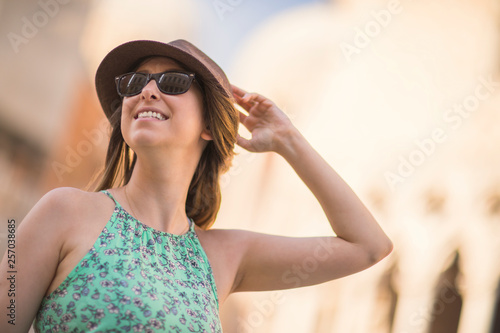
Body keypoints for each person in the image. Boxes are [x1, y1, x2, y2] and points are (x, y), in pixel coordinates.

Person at [0, 39, 393, 332]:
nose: (146, 91)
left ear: (209, 125)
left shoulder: (224, 256)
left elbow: (367, 246)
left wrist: (288, 141)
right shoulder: (63, 212)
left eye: (172, 82)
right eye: (136, 82)